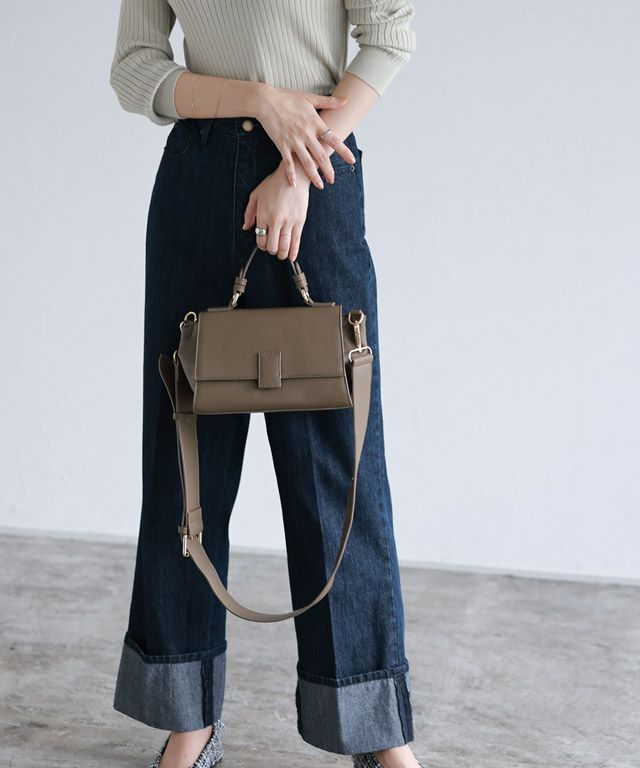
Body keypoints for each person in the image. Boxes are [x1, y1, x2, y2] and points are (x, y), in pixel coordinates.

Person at [108, 2, 420, 768]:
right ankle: (189, 721)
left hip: (318, 172)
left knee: (338, 467)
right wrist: (256, 99)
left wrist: (294, 167)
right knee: (186, 462)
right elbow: (136, 69)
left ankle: (374, 729)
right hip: (197, 182)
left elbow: (389, 36)